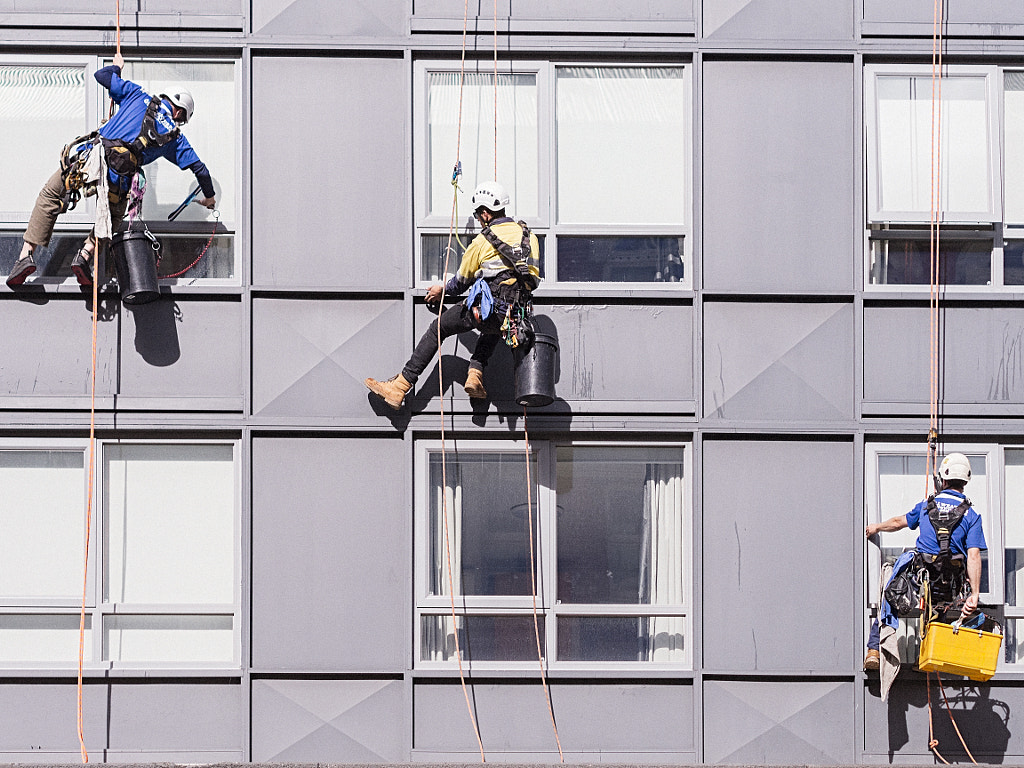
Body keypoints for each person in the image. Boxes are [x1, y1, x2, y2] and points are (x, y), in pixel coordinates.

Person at [6, 51, 216, 288]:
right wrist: (209, 197)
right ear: (178, 111)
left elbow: (101, 75)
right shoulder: (175, 138)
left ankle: (25, 255)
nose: (178, 123)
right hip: (119, 177)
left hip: (89, 160)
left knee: (51, 195)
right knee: (113, 218)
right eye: (181, 119)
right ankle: (85, 254)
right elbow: (200, 169)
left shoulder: (138, 95)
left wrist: (116, 67)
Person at [365, 180, 540, 409]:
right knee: (494, 326)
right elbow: (533, 280)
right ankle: (475, 374)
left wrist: (441, 291)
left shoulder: (483, 241)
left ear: (486, 213)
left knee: (439, 327)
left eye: (478, 215)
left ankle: (399, 387)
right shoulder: (529, 237)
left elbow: (461, 282)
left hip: (488, 313)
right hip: (514, 318)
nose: (478, 220)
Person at [863, 452, 987, 671]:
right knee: (940, 610)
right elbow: (974, 555)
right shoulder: (971, 514)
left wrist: (876, 527)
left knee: (891, 594)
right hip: (949, 583)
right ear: (965, 482)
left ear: (942, 480)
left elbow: (898, 522)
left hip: (921, 577)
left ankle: (874, 648)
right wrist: (975, 595)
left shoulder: (925, 506)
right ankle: (927, 656)